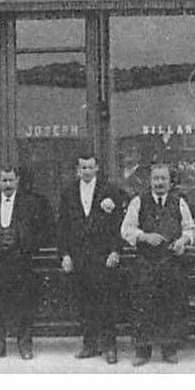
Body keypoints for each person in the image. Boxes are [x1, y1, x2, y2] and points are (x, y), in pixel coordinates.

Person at [120, 162, 195, 366]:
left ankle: (169, 348)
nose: (160, 182)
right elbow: (126, 229)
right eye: (156, 178)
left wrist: (183, 241)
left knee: (170, 304)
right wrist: (144, 236)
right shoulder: (138, 201)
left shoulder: (179, 202)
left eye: (164, 178)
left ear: (170, 181)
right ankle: (143, 351)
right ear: (150, 180)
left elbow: (190, 229)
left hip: (171, 262)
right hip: (146, 263)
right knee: (143, 305)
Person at [0, 166, 51, 361]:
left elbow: (44, 229)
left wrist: (28, 246)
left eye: (11, 180)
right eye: (4, 180)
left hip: (21, 262)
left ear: (17, 180)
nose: (7, 185)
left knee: (23, 305)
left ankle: (24, 344)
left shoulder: (29, 203)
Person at [58, 154, 129, 363]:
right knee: (85, 303)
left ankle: (109, 347)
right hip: (79, 257)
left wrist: (116, 250)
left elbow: (119, 224)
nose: (87, 171)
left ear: (97, 168)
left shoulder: (110, 190)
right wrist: (64, 255)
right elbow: (62, 226)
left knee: (107, 303)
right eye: (83, 168)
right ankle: (89, 345)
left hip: (103, 257)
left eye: (90, 167)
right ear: (77, 169)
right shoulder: (68, 192)